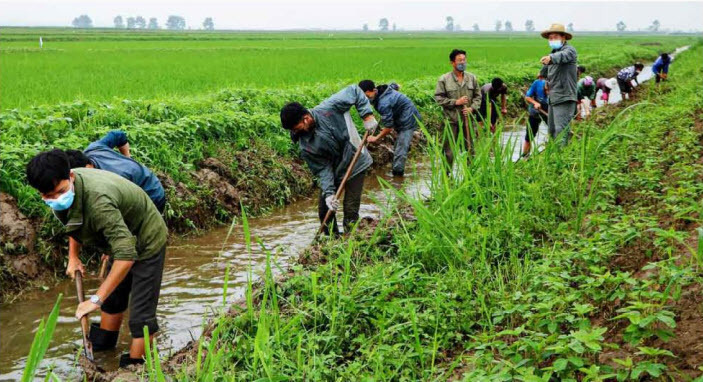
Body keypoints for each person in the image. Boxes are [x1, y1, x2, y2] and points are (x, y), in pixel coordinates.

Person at [25, 150, 168, 368]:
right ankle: (103, 349)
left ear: (71, 176)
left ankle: (135, 367)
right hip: (119, 237)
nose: (55, 199)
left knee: (140, 316)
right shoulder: (65, 196)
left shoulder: (99, 201)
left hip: (146, 239)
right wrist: (73, 257)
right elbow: (75, 221)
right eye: (48, 196)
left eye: (59, 192)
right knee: (112, 299)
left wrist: (94, 300)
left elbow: (127, 255)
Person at [280, 85, 377, 236]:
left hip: (355, 161)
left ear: (306, 117)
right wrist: (330, 193)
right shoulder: (305, 145)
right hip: (336, 170)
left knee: (350, 211)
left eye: (298, 127)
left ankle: (353, 245)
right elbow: (322, 169)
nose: (298, 132)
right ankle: (332, 245)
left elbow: (354, 90)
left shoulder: (329, 107)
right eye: (294, 130)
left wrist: (367, 116)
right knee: (325, 211)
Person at [64, 130, 166, 213]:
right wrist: (128, 158)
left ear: (85, 168)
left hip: (153, 194)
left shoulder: (114, 178)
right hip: (137, 180)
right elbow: (118, 135)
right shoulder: (93, 149)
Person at [358, 80, 421, 177]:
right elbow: (394, 85)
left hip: (408, 120)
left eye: (367, 96)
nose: (367, 99)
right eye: (364, 97)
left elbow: (388, 128)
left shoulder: (384, 104)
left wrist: (375, 138)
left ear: (374, 90)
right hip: (400, 115)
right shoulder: (382, 90)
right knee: (398, 146)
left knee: (400, 149)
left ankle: (397, 177)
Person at [434, 48, 482, 168]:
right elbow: (439, 98)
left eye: (464, 60)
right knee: (449, 152)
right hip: (451, 121)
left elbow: (478, 97)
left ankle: (471, 174)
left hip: (468, 120)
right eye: (459, 60)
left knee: (470, 150)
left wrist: (472, 108)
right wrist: (456, 102)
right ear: (452, 63)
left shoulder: (472, 78)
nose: (462, 63)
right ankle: (447, 177)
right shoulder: (444, 79)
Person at [539, 23, 578, 146]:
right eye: (550, 38)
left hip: (564, 96)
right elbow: (548, 70)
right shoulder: (554, 53)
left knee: (561, 131)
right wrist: (543, 74)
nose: (552, 40)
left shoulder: (569, 51)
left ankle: (561, 160)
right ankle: (553, 158)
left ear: (563, 38)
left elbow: (562, 56)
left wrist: (550, 58)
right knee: (551, 131)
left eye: (555, 37)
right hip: (553, 97)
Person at [522, 74, 549, 158]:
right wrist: (535, 103)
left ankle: (550, 151)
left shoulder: (556, 90)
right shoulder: (537, 83)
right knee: (530, 135)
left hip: (548, 112)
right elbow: (527, 97)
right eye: (547, 90)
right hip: (535, 111)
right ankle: (525, 157)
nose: (548, 93)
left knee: (554, 131)